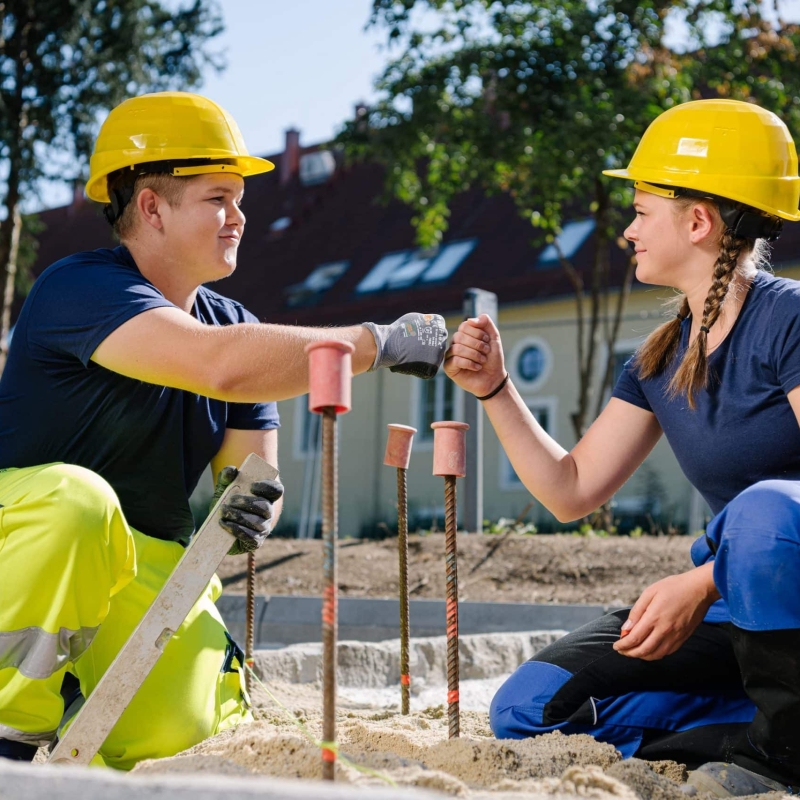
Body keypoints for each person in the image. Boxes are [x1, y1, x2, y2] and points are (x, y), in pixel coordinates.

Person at [0, 92, 447, 768]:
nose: (239, 216)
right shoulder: (79, 288)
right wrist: (376, 342)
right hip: (27, 535)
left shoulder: (234, 321)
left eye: (240, 198)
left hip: (142, 561)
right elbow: (220, 368)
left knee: (172, 731)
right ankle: (10, 729)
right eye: (218, 197)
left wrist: (251, 505)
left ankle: (67, 704)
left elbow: (249, 469)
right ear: (151, 206)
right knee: (77, 503)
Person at [444, 99, 800, 796]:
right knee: (528, 709)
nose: (628, 230)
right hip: (737, 615)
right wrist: (495, 389)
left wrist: (701, 580)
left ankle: (781, 753)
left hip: (775, 585)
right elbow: (570, 489)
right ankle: (763, 729)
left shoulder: (789, 320)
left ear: (697, 221)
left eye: (641, 210)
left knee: (761, 512)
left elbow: (779, 522)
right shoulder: (657, 360)